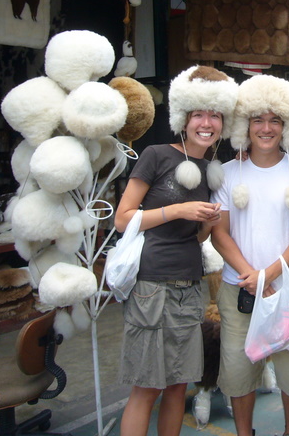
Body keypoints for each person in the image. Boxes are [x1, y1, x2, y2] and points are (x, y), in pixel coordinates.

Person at [114, 65, 238, 436]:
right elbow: (122, 219)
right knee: (147, 387)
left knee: (179, 385)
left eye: (215, 115)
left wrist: (206, 225)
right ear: (184, 119)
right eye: (198, 114)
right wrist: (177, 210)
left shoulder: (211, 171)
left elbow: (195, 239)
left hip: (190, 287)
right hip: (151, 286)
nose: (207, 123)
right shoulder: (156, 155)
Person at [210, 75, 289, 436]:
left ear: (287, 126)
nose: (266, 128)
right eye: (258, 119)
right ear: (245, 124)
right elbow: (219, 232)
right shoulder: (226, 174)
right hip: (239, 289)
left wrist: (268, 275)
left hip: (288, 288)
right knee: (238, 371)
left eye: (275, 120)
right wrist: (252, 276)